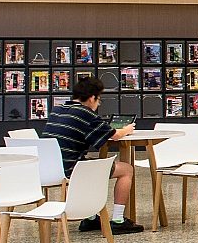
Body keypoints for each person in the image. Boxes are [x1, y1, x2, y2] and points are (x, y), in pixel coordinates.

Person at [44, 76, 143, 234]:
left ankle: (90, 218)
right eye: (99, 99)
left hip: (51, 170)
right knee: (126, 170)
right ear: (92, 98)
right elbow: (115, 136)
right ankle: (118, 220)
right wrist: (127, 129)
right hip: (72, 169)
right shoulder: (85, 114)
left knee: (89, 163)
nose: (99, 103)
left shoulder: (57, 111)